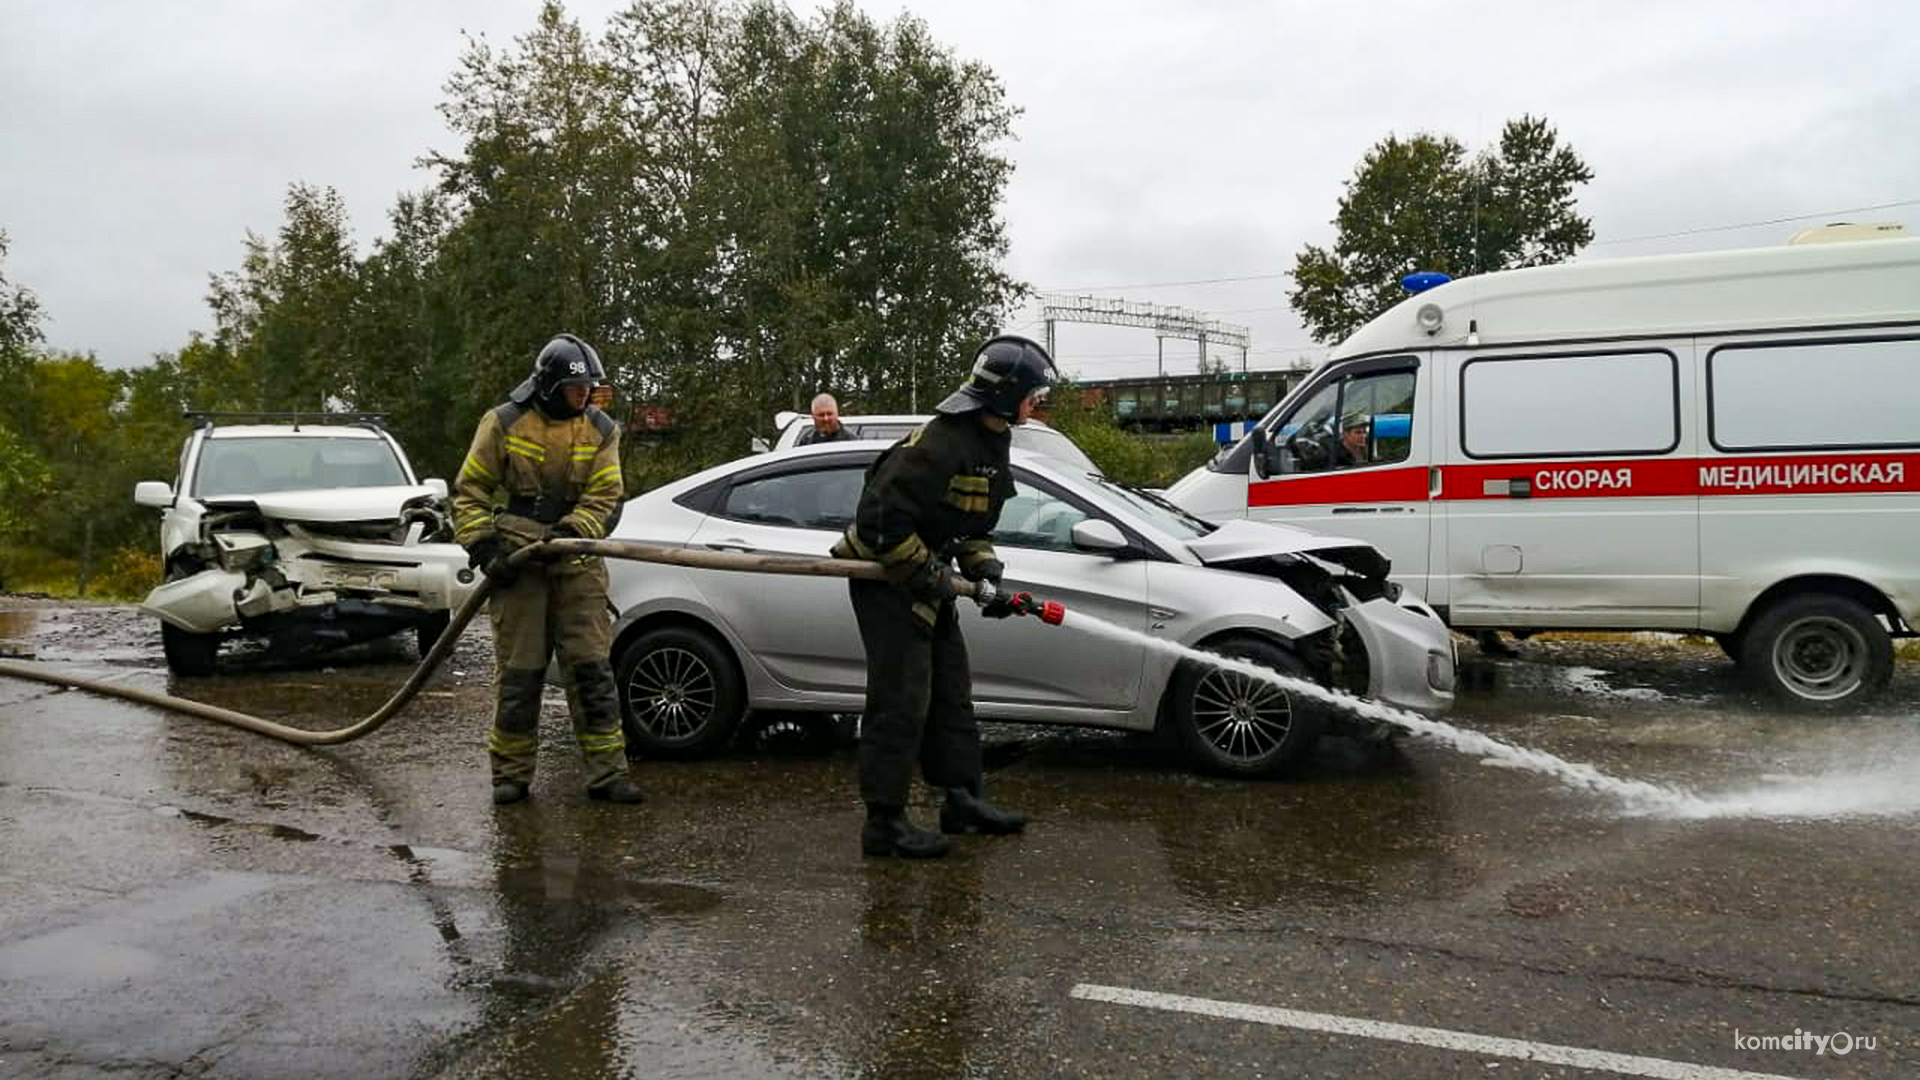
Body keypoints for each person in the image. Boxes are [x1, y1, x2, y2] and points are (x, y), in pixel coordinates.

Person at [830, 334, 1053, 859]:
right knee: (900, 701)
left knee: (952, 695)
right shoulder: (939, 441)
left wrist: (987, 574)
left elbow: (970, 526)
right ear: (1006, 394)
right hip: (886, 579)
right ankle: (884, 823)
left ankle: (961, 800)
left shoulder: (991, 440)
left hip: (928, 578)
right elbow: (880, 522)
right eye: (1033, 394)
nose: (1037, 403)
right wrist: (930, 577)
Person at [453, 333, 642, 806]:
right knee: (521, 673)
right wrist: (485, 547)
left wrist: (571, 531)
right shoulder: (504, 423)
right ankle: (511, 774)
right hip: (518, 562)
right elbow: (470, 491)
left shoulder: (600, 429)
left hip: (575, 558)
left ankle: (607, 773)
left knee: (592, 670)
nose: (585, 397)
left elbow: (605, 496)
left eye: (589, 390)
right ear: (550, 386)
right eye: (576, 390)